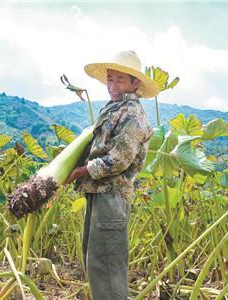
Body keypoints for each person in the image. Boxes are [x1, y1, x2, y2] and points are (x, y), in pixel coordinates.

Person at [65, 50, 159, 299]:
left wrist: (80, 171)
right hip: (98, 192)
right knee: (95, 260)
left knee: (107, 266)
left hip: (112, 196)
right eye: (110, 79)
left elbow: (118, 160)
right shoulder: (115, 108)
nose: (112, 86)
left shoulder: (132, 114)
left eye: (119, 80)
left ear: (134, 83)